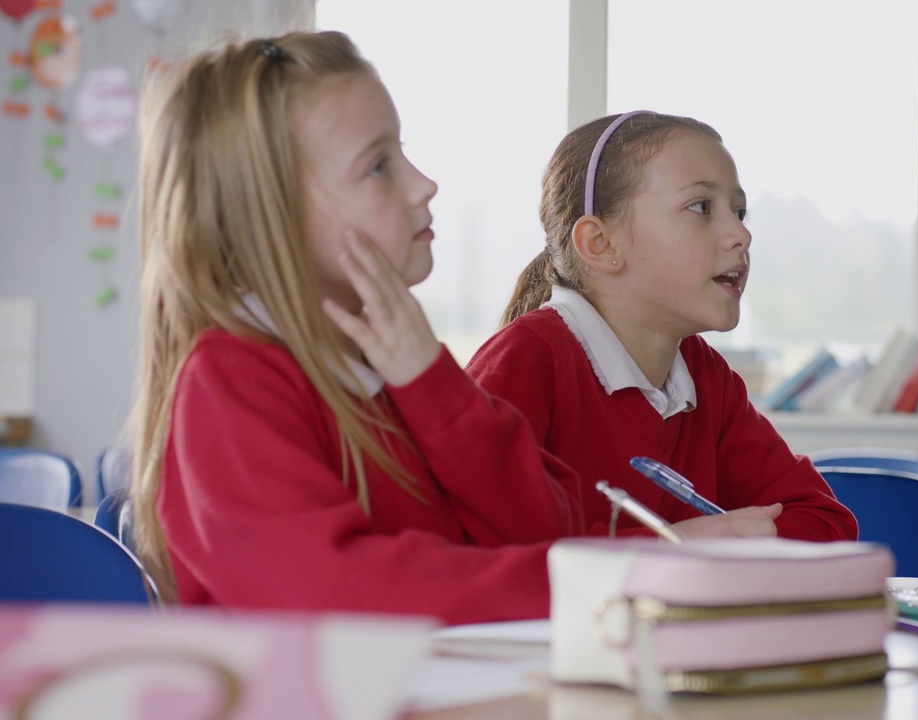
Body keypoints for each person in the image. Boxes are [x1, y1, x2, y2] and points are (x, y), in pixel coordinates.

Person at [127, 31, 584, 626]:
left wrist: (433, 385)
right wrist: (594, 588)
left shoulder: (394, 364)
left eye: (402, 152)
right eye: (377, 165)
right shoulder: (229, 380)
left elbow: (545, 528)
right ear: (270, 219)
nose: (424, 184)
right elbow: (342, 596)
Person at [466, 111, 858, 541]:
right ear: (601, 244)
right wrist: (681, 547)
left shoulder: (704, 376)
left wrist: (708, 548)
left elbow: (826, 523)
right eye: (701, 207)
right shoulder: (527, 359)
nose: (740, 236)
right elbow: (484, 551)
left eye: (740, 212)